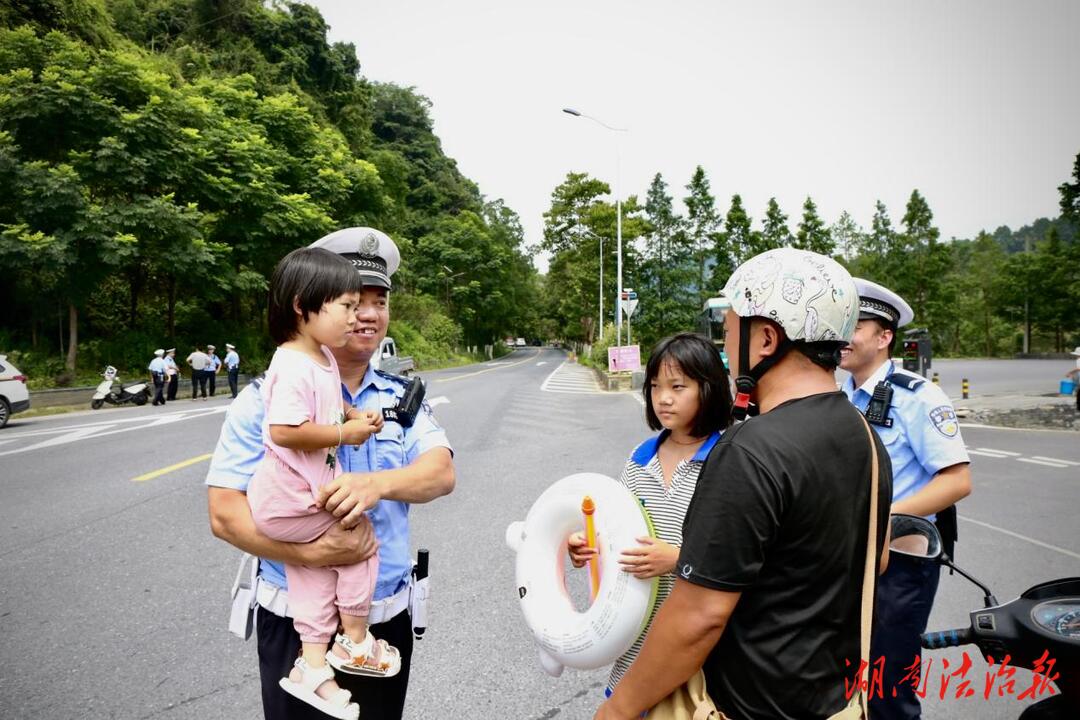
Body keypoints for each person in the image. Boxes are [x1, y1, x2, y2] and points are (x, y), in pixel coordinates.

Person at [594, 248, 893, 720]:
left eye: (730, 330)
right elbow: (875, 562)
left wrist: (617, 709)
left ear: (766, 339)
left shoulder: (750, 450)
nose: (726, 345)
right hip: (835, 704)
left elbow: (698, 617)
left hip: (746, 706)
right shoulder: (865, 436)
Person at [206, 227, 455, 720]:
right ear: (313, 307)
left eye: (379, 300)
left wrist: (377, 483)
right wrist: (312, 552)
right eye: (352, 301)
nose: (367, 314)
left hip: (383, 619)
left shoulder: (396, 398)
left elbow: (440, 473)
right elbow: (224, 515)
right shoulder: (263, 398)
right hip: (296, 623)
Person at [249, 247, 395, 719]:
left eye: (363, 307)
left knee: (312, 576)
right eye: (347, 306)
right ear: (301, 304)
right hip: (287, 498)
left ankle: (311, 668)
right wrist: (343, 432)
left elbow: (330, 405)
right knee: (358, 540)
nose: (357, 317)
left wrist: (355, 415)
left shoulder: (321, 359)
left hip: (300, 496)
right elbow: (285, 431)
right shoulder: (290, 364)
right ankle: (354, 641)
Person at [568, 332, 732, 695]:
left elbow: (741, 554)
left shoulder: (729, 458)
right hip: (637, 634)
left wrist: (678, 558)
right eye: (655, 386)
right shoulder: (639, 459)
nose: (663, 398)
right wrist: (589, 545)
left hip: (701, 646)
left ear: (709, 388)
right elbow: (615, 528)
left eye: (678, 386)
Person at [838, 277, 972, 720]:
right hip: (849, 558)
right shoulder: (840, 398)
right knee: (844, 680)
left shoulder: (918, 397)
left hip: (900, 562)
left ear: (884, 336)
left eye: (856, 325)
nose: (845, 336)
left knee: (887, 688)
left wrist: (880, 516)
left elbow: (955, 481)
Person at [1066, 346, 1080, 412]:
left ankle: (1078, 406)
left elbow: (1078, 369)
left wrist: (1070, 372)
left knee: (1078, 391)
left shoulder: (1078, 360)